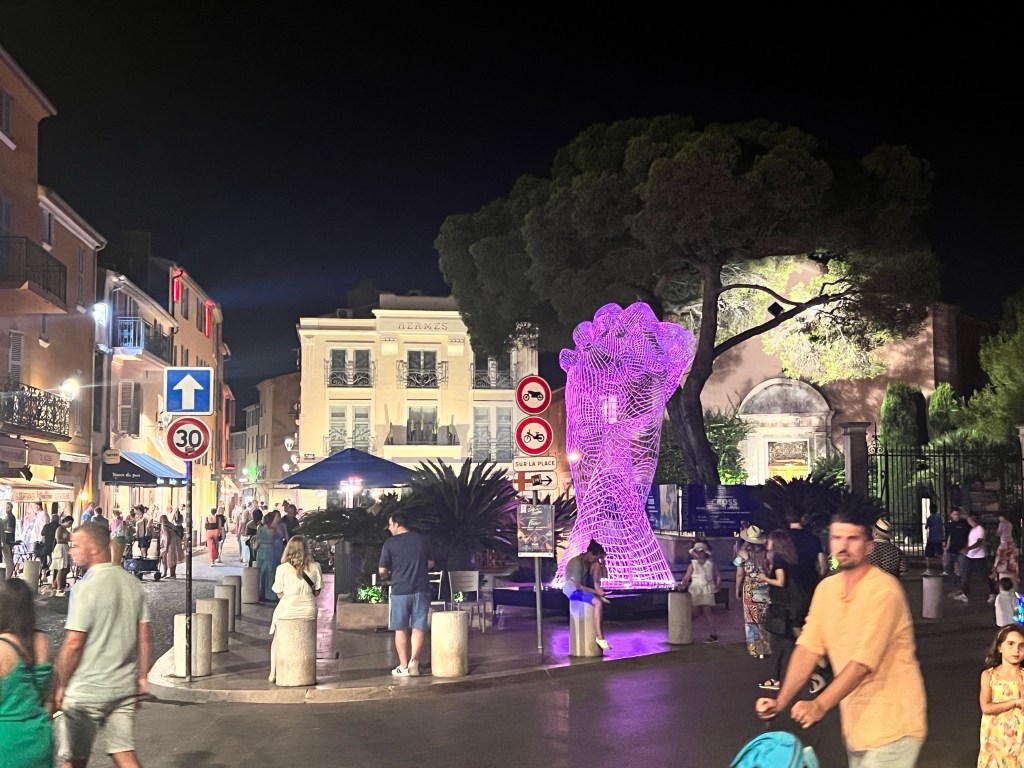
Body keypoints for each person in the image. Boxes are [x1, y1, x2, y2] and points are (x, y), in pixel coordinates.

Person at [755, 508, 926, 767]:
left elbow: (863, 662)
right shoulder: (827, 589)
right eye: (837, 538)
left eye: (852, 538)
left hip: (895, 725)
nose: (843, 546)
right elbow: (808, 647)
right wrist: (780, 701)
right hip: (857, 725)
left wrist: (819, 705)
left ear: (868, 546)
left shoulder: (884, 591)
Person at [53, 522, 151, 768]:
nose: (71, 551)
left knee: (73, 760)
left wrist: (61, 684)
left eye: (76, 546)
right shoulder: (132, 583)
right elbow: (145, 637)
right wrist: (142, 677)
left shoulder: (85, 588)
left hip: (86, 689)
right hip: (123, 686)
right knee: (124, 753)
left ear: (94, 549)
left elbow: (74, 644)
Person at [0, 578, 54, 767]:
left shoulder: (2, 647)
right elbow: (49, 698)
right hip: (39, 736)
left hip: (7, 742)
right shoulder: (42, 640)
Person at [378, 511, 434, 676]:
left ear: (396, 524)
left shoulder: (390, 544)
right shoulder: (422, 539)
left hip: (400, 590)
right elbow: (430, 563)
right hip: (422, 588)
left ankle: (403, 666)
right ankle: (414, 661)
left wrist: (388, 575)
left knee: (400, 628)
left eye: (390, 524)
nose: (389, 528)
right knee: (418, 626)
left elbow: (382, 570)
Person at [267, 535, 323, 683]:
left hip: (288, 608)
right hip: (308, 609)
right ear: (306, 549)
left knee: (277, 638)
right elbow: (317, 592)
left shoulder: (282, 569)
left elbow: (279, 594)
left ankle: (273, 673)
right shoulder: (315, 567)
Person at [758, 530, 802, 691]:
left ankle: (775, 678)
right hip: (790, 605)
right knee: (789, 642)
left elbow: (780, 581)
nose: (767, 543)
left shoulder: (778, 559)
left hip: (779, 607)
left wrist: (765, 578)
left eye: (769, 541)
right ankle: (798, 675)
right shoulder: (790, 558)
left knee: (777, 644)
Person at [977, 624, 1024, 768]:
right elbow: (986, 707)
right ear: (999, 647)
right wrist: (1015, 702)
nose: (1016, 650)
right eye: (1010, 644)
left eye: (1021, 646)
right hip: (996, 742)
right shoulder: (989, 676)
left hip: (1020, 742)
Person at [562, 538, 612, 650]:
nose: (596, 560)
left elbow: (605, 576)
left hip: (583, 588)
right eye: (595, 557)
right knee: (598, 603)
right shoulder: (577, 563)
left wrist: (602, 563)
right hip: (573, 591)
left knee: (597, 566)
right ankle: (599, 637)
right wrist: (595, 592)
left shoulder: (590, 562)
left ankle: (598, 593)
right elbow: (577, 586)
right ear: (589, 553)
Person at [735, 525, 772, 662]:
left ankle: (756, 649)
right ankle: (766, 647)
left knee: (752, 620)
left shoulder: (742, 554)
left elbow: (739, 574)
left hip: (749, 589)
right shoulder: (767, 553)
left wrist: (737, 588)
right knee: (764, 618)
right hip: (765, 587)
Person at [678, 541, 720, 644]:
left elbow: (717, 575)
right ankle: (684, 631)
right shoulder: (692, 564)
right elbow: (687, 577)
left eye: (700, 552)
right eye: (697, 552)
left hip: (707, 589)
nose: (699, 554)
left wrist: (718, 584)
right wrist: (683, 584)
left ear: (705, 552)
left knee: (708, 611)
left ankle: (713, 634)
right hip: (696, 590)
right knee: (694, 612)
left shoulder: (711, 564)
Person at [954, 513, 997, 604]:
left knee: (984, 576)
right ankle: (964, 593)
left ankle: (993, 592)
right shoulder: (972, 529)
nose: (968, 522)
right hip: (970, 556)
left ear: (973, 520)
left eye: (969, 520)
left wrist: (968, 549)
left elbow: (978, 542)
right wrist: (966, 548)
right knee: (966, 575)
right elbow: (970, 541)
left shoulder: (980, 529)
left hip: (979, 557)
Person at [256, 512, 280, 602]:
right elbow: (278, 538)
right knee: (270, 572)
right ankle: (269, 595)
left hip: (261, 550)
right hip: (270, 551)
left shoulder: (260, 528)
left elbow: (258, 539)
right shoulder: (272, 530)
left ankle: (261, 593)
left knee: (261, 572)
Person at [992, 513, 1019, 590]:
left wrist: (995, 534)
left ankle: (995, 573)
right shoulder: (1010, 524)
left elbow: (999, 532)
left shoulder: (1001, 523)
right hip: (1010, 542)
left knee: (999, 558)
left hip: (1004, 542)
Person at [945, 506, 970, 584]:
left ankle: (963, 585)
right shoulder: (949, 524)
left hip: (961, 550)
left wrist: (966, 548)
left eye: (958, 514)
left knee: (963, 570)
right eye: (955, 514)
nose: (957, 516)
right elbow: (949, 537)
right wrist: (946, 548)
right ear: (951, 515)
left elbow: (968, 536)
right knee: (947, 568)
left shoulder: (964, 523)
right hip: (952, 550)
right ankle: (956, 580)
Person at [50, 516, 72, 597]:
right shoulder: (59, 529)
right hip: (60, 547)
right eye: (69, 523)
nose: (70, 525)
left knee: (66, 568)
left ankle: (55, 583)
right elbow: (58, 540)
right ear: (65, 521)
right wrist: (67, 539)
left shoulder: (66, 530)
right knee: (61, 568)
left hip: (65, 547)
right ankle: (59, 588)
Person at [924, 505, 944, 573]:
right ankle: (943, 569)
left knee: (928, 555)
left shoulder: (930, 518)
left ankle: (928, 569)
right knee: (941, 554)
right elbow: (941, 527)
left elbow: (926, 527)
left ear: (930, 510)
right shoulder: (939, 518)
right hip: (938, 538)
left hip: (931, 539)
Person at [2, 501, 16, 578]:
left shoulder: (10, 517)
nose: (6, 509)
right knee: (6, 560)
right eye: (6, 507)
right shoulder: (7, 517)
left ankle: (7, 578)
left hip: (8, 541)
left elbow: (10, 529)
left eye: (8, 507)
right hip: (6, 541)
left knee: (8, 561)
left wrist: (2, 529)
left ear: (11, 508)